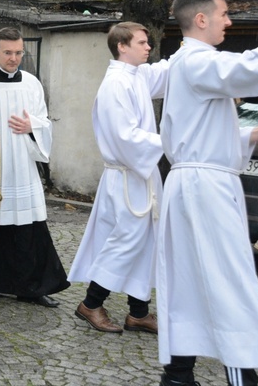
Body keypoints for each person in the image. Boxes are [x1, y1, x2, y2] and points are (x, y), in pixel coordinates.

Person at [156, 0, 258, 386]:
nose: (230, 21)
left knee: (189, 278)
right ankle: (243, 378)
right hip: (205, 186)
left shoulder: (184, 64)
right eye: (224, 14)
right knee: (228, 277)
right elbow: (251, 69)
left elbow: (198, 131)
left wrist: (250, 135)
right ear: (201, 19)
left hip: (196, 181)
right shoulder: (198, 62)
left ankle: (179, 373)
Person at [67, 22, 168, 334]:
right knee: (125, 241)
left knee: (145, 241)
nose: (148, 47)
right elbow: (125, 137)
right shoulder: (116, 84)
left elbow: (168, 71)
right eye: (141, 42)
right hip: (127, 176)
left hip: (140, 175)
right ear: (122, 46)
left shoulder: (136, 76)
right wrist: (168, 141)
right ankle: (91, 303)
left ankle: (138, 312)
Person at [0, 27, 69, 307]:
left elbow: (44, 120)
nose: (13, 58)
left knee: (28, 226)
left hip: (22, 163)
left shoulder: (32, 83)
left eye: (18, 52)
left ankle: (30, 287)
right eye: (7, 52)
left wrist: (32, 125)